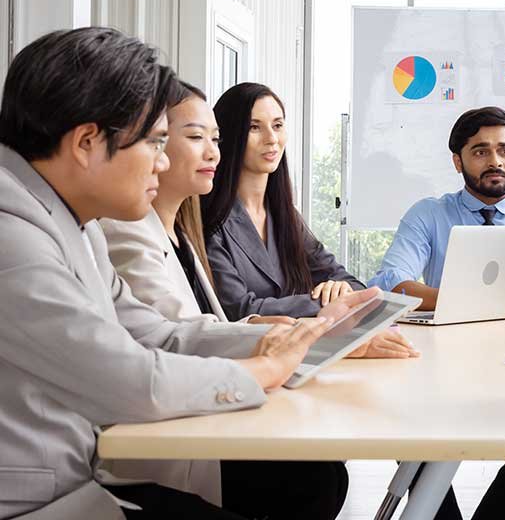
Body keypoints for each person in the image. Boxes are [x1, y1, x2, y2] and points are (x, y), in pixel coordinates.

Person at [0, 27, 375, 520]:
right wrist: (264, 368)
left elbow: (155, 331)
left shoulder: (73, 223)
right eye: (156, 142)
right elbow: (129, 379)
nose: (163, 161)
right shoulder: (12, 233)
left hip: (78, 479)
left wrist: (278, 341)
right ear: (87, 142)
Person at [100, 81, 383, 519]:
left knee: (323, 473)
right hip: (171, 435)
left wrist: (307, 328)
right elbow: (174, 334)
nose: (212, 153)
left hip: (213, 406)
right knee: (317, 478)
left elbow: (196, 327)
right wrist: (303, 329)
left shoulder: (185, 233)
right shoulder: (136, 231)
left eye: (214, 140)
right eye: (195, 138)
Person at [368, 106, 505, 520]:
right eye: (481, 151)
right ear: (458, 161)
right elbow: (393, 282)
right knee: (401, 423)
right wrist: (487, 300)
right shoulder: (429, 214)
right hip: (439, 365)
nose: (495, 161)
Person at [202, 83, 410, 336]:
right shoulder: (210, 221)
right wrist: (327, 302)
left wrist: (339, 289)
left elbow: (351, 283)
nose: (271, 139)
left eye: (278, 126)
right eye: (254, 127)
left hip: (297, 348)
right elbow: (239, 309)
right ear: (229, 136)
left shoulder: (284, 216)